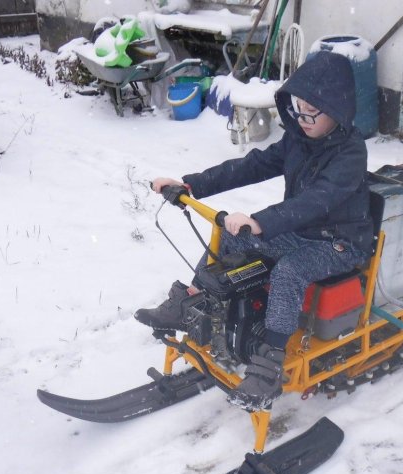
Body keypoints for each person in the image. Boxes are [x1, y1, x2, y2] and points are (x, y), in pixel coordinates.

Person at [136, 51, 374, 411]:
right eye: (297, 106)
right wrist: (191, 185)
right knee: (233, 237)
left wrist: (262, 220)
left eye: (312, 110)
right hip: (302, 230)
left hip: (341, 242)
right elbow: (252, 165)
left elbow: (317, 199)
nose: (302, 117)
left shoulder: (350, 154)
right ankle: (193, 302)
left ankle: (268, 366)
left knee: (290, 270)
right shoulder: (299, 139)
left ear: (336, 110)